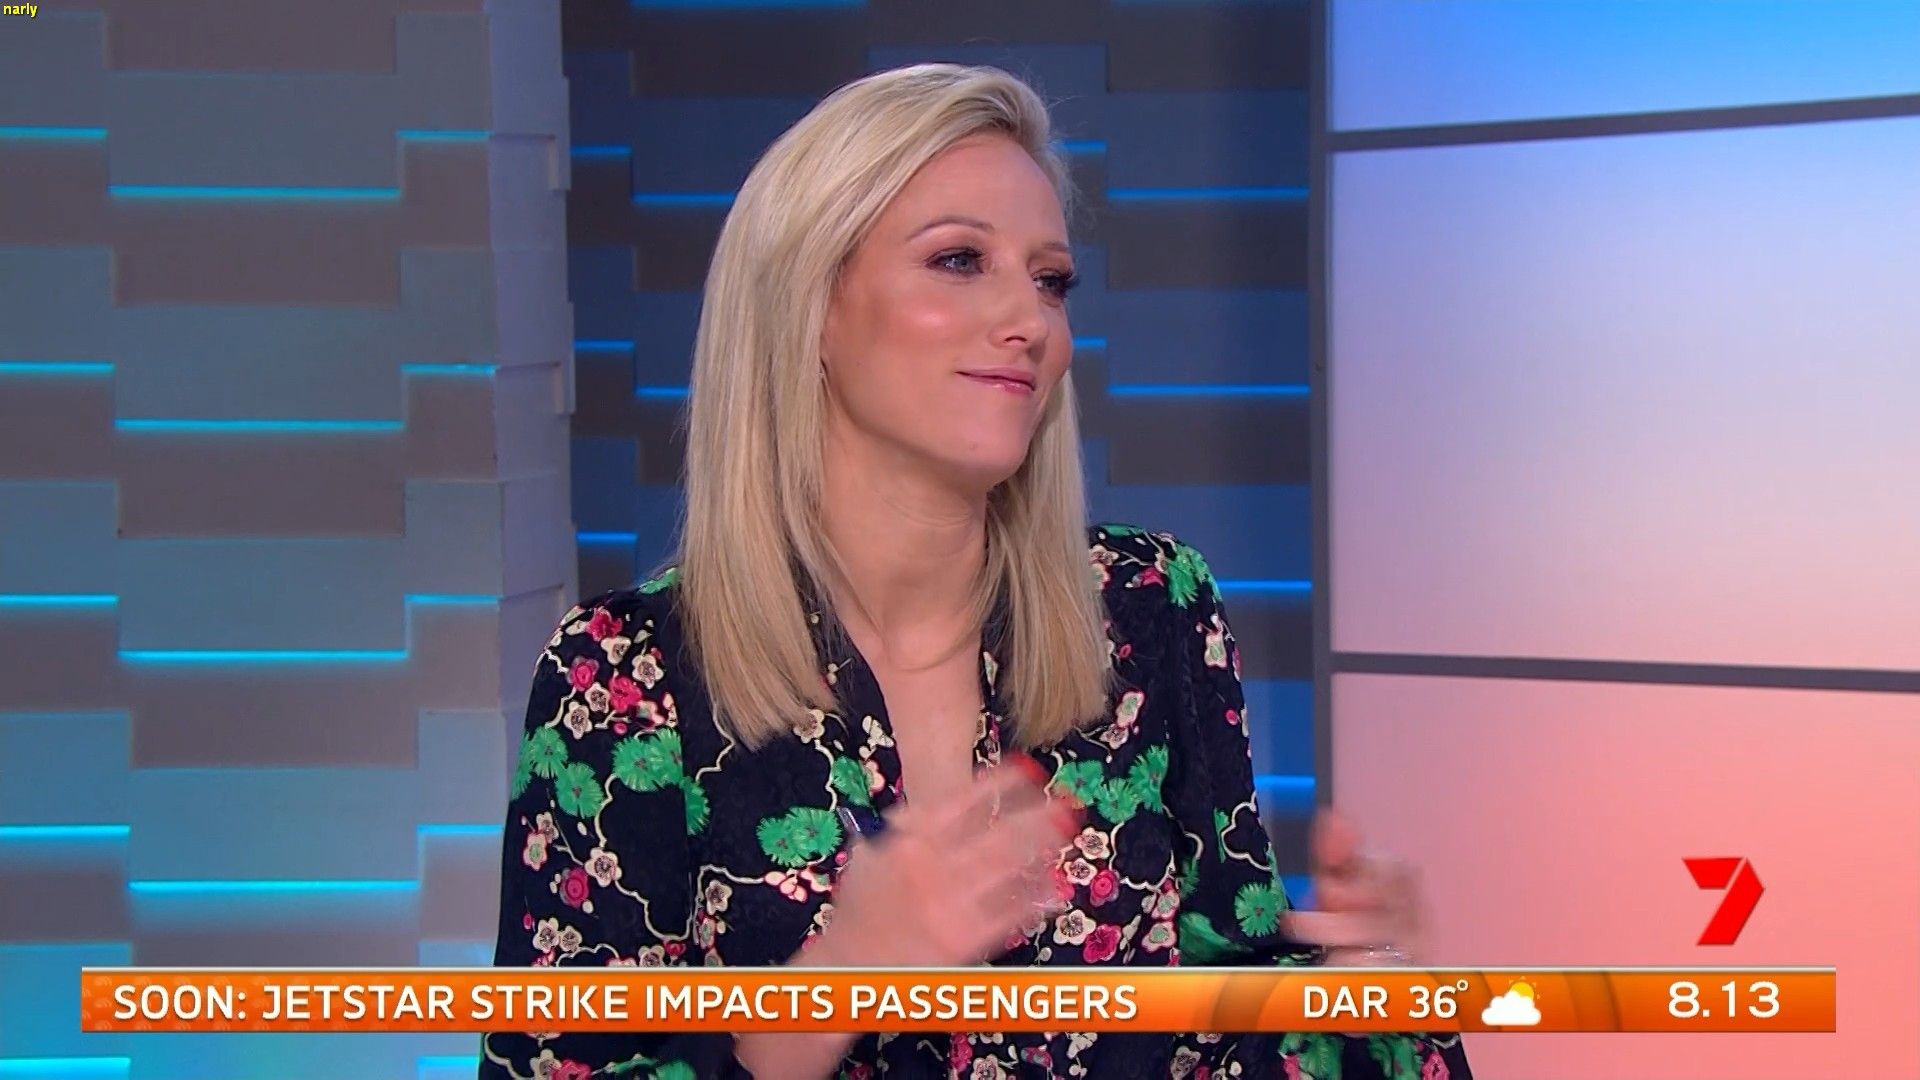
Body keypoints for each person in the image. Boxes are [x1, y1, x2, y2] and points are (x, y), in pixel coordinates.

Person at [480, 63, 1470, 1080]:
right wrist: (838, 981)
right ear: (809, 307)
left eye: (1050, 280)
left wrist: (1371, 999)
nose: (1030, 321)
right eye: (959, 260)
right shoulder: (620, 674)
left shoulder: (1151, 605)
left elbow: (1231, 1027)